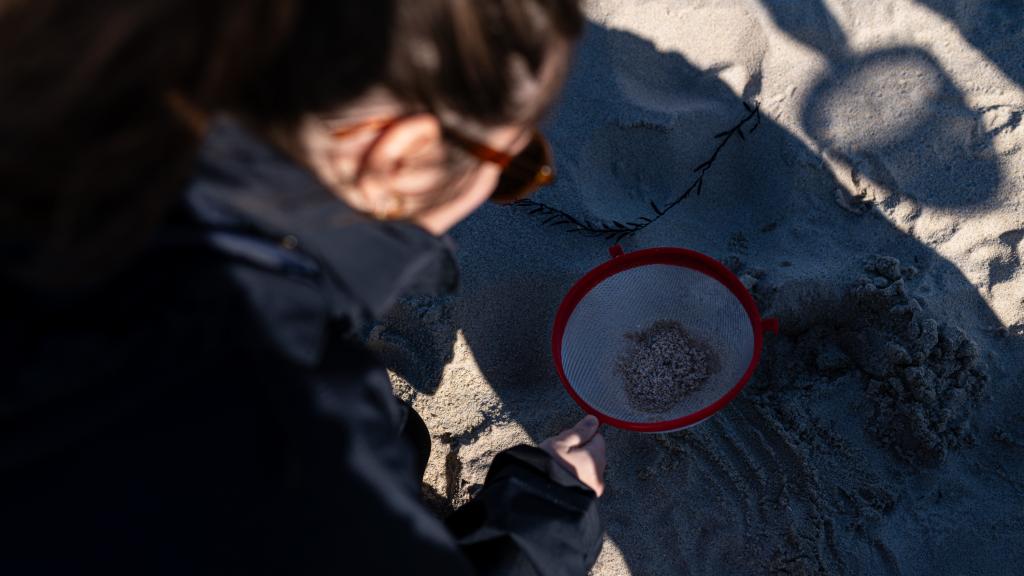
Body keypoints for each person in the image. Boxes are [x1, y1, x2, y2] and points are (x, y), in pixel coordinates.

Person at [0, 1, 607, 574]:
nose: (509, 175)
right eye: (514, 164)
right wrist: (540, 520)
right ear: (403, 154)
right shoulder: (286, 450)